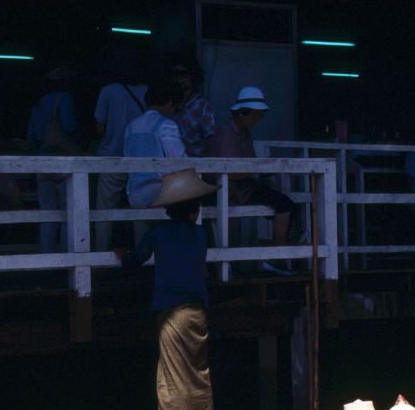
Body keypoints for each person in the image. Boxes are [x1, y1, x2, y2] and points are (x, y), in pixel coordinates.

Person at [113, 169, 217, 410]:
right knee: (198, 367)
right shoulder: (201, 234)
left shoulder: (158, 232)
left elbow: (134, 261)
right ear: (194, 212)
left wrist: (121, 253)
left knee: (174, 370)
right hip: (198, 308)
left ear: (169, 210)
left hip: (172, 309)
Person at [205, 86, 297, 273]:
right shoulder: (227, 135)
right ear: (242, 113)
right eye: (254, 115)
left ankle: (276, 252)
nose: (257, 120)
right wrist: (255, 173)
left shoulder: (245, 133)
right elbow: (226, 171)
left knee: (286, 204)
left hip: (244, 187)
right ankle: (276, 257)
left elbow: (250, 163)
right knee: (284, 204)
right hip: (230, 190)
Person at [93, 47, 147, 249]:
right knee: (140, 211)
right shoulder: (146, 91)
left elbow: (99, 128)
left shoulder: (108, 91)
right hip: (139, 160)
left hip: (111, 157)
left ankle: (100, 258)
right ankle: (141, 255)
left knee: (104, 211)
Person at [27, 65, 80, 254]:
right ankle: (67, 255)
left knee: (47, 211)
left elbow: (31, 136)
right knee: (68, 211)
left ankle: (47, 255)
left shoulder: (37, 103)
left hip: (42, 159)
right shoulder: (64, 99)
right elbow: (68, 126)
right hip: (62, 159)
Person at [123, 78, 186, 210]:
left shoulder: (131, 126)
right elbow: (180, 161)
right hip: (161, 192)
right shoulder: (166, 125)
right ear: (169, 103)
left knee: (142, 230)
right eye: (177, 107)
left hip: (134, 195)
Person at [170, 57, 214, 156]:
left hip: (195, 165)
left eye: (183, 74)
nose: (179, 79)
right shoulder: (169, 105)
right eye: (176, 74)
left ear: (193, 76)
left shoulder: (202, 106)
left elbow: (211, 140)